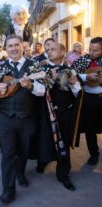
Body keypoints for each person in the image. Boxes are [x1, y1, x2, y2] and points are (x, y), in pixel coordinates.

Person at [0, 35, 45, 204]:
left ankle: (20, 172)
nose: (13, 48)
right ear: (6, 48)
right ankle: (8, 190)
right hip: (6, 118)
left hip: (27, 117)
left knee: (24, 150)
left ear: (23, 46)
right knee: (8, 153)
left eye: (16, 45)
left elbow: (44, 89)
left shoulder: (33, 66)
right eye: (10, 46)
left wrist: (31, 86)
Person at [36, 42, 80, 191]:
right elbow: (36, 91)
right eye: (47, 49)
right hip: (45, 112)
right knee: (44, 139)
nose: (49, 51)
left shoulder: (70, 70)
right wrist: (50, 79)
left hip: (64, 113)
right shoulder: (40, 69)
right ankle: (42, 162)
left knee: (64, 143)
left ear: (63, 52)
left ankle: (63, 174)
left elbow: (77, 94)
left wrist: (74, 84)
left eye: (53, 49)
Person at [72, 37, 102, 166]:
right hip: (88, 98)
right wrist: (86, 76)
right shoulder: (83, 59)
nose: (91, 52)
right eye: (90, 49)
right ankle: (94, 153)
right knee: (90, 128)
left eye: (95, 50)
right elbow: (71, 73)